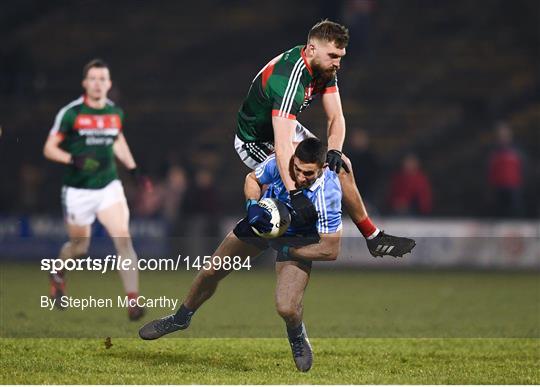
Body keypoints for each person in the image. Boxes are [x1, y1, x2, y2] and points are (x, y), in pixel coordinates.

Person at [139, 138, 350, 372]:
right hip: (265, 220)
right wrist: (252, 207)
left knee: (287, 308)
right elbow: (252, 179)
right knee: (211, 271)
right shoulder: (282, 162)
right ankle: (180, 318)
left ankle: (297, 335)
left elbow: (331, 250)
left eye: (308, 173)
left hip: (297, 238)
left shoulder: (329, 194)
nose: (300, 177)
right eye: (297, 169)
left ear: (321, 168)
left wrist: (286, 249)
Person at [233, 19, 415, 258]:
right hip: (255, 141)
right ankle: (258, 225)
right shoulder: (289, 80)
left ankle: (373, 238)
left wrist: (335, 151)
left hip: (285, 128)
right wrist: (294, 193)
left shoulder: (324, 68)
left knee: (342, 166)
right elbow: (282, 143)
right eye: (332, 55)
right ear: (311, 49)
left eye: (340, 56)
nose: (338, 63)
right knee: (293, 181)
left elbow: (336, 118)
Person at [43, 59, 151, 321]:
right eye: (93, 78)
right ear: (84, 83)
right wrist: (73, 159)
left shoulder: (115, 113)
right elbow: (49, 149)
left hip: (108, 186)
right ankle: (58, 271)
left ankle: (133, 301)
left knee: (123, 238)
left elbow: (117, 140)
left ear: (109, 84)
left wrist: (134, 170)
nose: (98, 83)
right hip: (78, 190)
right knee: (80, 248)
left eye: (103, 79)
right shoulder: (71, 113)